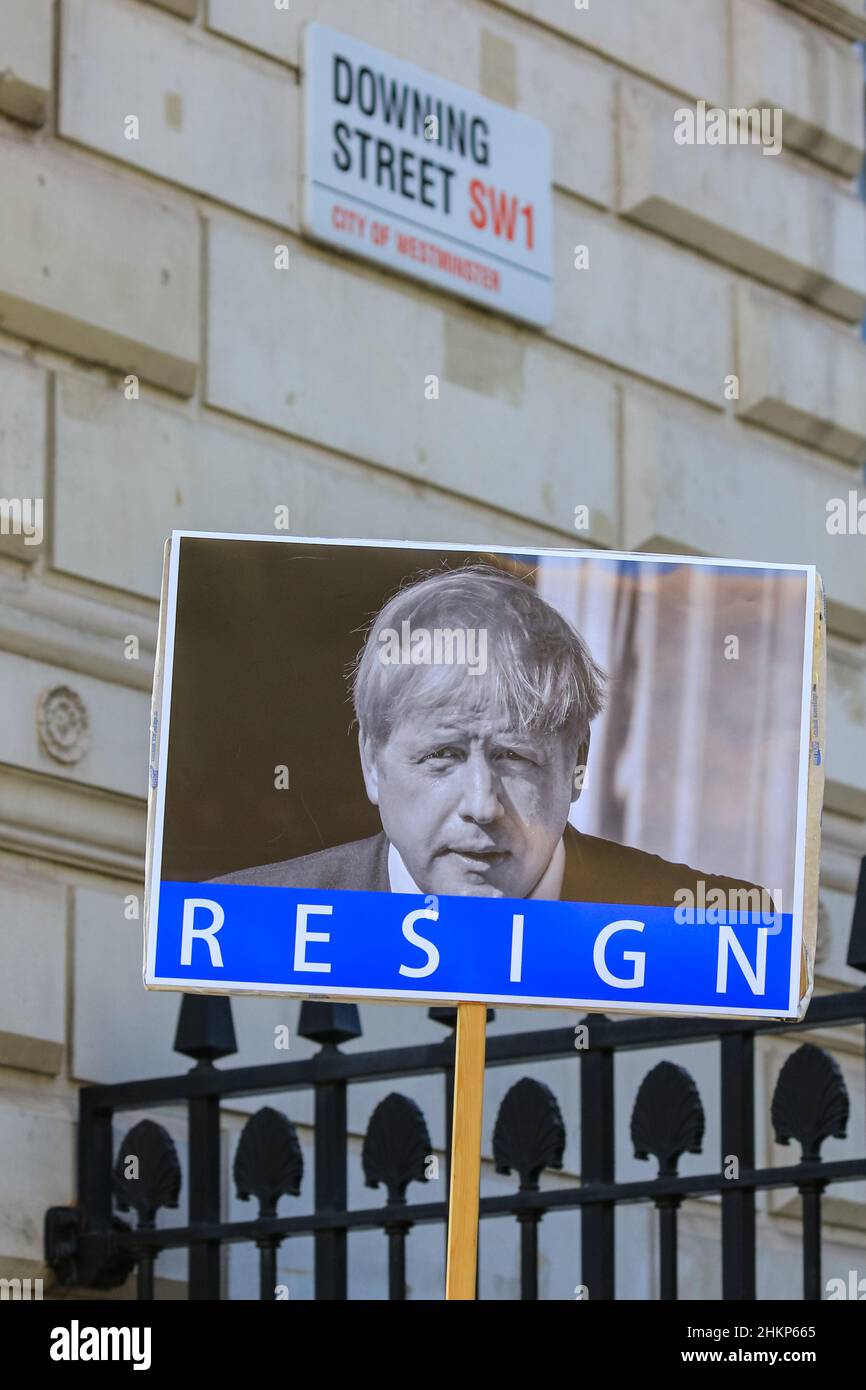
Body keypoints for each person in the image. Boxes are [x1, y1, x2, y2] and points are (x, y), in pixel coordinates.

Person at [213, 564, 764, 908]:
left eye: (515, 757)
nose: (482, 806)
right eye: (441, 755)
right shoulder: (240, 915)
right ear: (371, 765)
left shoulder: (714, 927)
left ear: (577, 764)